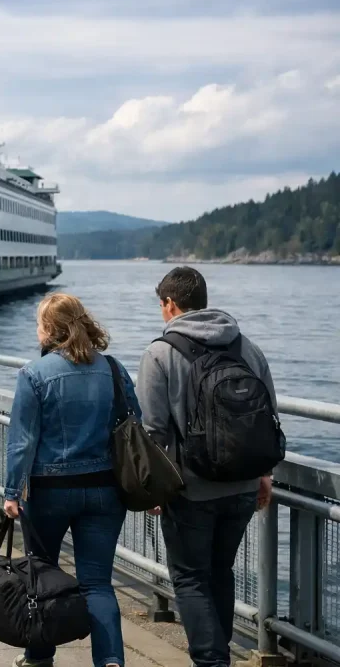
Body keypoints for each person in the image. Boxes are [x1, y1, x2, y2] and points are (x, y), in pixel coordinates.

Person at [136, 267, 276, 667]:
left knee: (191, 578)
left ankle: (212, 662)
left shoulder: (160, 353)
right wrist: (264, 475)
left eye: (161, 305)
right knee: (220, 571)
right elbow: (267, 418)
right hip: (243, 486)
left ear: (170, 304)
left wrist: (154, 490)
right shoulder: (246, 347)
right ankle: (219, 656)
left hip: (190, 490)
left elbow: (153, 432)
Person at [2, 293, 136, 667]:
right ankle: (110, 660)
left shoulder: (34, 374)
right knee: (97, 583)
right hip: (106, 490)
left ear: (48, 329)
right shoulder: (113, 369)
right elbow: (133, 428)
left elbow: (22, 442)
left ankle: (40, 655)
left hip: (49, 493)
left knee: (41, 575)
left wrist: (12, 492)